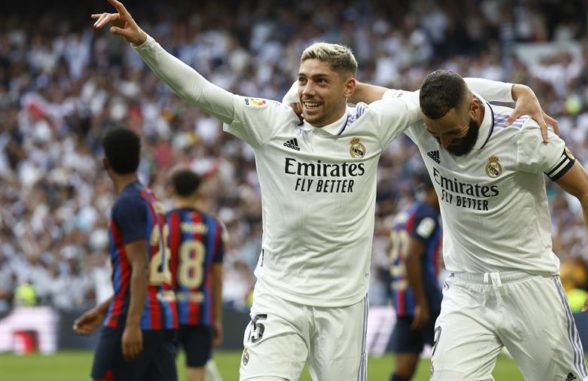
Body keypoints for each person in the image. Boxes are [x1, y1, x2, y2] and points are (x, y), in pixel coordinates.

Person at [91, 2, 555, 379]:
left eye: (319, 81)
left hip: (344, 307)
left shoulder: (374, 125)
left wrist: (515, 90)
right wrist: (145, 44)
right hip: (279, 297)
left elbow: (442, 91)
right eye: (301, 79)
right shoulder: (270, 122)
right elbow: (200, 91)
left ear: (349, 87)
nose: (305, 90)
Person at [349, 70, 588, 381]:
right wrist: (332, 91)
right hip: (466, 288)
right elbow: (367, 91)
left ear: (474, 109)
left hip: (529, 282)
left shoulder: (521, 134)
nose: (444, 143)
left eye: (452, 133)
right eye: (435, 136)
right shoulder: (420, 118)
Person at [73, 127, 178, 381]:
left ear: (105, 163)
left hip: (134, 318)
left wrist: (131, 325)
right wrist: (100, 310)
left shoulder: (126, 203)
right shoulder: (151, 199)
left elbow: (141, 266)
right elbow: (144, 268)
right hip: (163, 316)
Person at [167, 169, 226, 381]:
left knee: (162, 371)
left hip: (168, 312)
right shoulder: (213, 227)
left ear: (172, 189)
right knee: (196, 374)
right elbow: (217, 278)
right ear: (199, 192)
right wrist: (217, 319)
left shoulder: (164, 223)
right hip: (201, 313)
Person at [388, 173, 442, 381]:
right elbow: (410, 255)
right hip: (424, 300)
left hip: (402, 300)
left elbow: (393, 251)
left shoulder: (406, 212)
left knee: (403, 371)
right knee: (452, 364)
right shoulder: (427, 214)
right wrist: (421, 302)